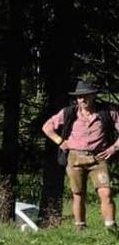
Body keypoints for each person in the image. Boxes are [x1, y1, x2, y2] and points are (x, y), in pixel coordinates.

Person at [41, 79, 119, 230]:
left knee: (106, 192)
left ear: (93, 96)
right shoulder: (69, 113)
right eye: (79, 97)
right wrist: (60, 141)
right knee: (78, 194)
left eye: (86, 96)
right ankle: (80, 227)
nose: (82, 99)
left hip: (99, 158)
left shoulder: (108, 112)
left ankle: (111, 228)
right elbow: (47, 127)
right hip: (75, 158)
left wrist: (113, 148)